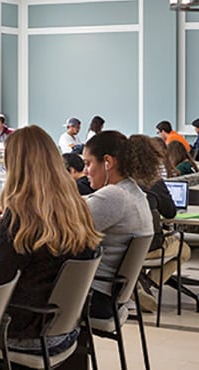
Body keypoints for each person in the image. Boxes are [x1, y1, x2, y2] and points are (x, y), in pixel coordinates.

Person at [0, 126, 101, 352]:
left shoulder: (22, 214)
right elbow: (46, 250)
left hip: (26, 332)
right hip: (66, 328)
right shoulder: (77, 206)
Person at [78, 131, 156, 322]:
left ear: (108, 162)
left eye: (88, 163)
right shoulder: (132, 192)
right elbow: (83, 203)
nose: (85, 171)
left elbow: (59, 230)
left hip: (93, 297)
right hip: (111, 296)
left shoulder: (114, 196)